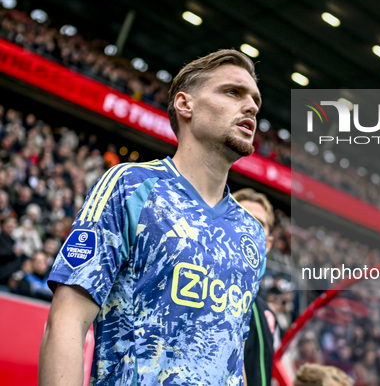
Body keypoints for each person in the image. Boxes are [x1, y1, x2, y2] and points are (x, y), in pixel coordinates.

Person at [39, 49, 266, 386]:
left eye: (255, 101)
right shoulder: (131, 186)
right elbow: (67, 321)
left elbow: (233, 353)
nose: (251, 106)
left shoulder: (252, 233)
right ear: (185, 105)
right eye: (233, 92)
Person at [233, 188, 280, 386]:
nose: (249, 227)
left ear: (268, 244)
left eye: (258, 224)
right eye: (241, 217)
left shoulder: (269, 317)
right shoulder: (201, 289)